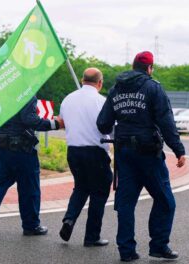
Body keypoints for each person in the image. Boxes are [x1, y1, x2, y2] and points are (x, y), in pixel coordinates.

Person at [97, 51, 186, 262]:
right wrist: (178, 150)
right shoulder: (153, 88)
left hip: (124, 154)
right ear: (149, 68)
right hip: (148, 153)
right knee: (165, 201)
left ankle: (126, 251)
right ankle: (159, 246)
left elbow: (103, 124)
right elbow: (166, 121)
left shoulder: (115, 89)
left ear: (132, 65)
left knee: (126, 203)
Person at [0, 96, 63, 237]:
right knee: (29, 187)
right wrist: (54, 124)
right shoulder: (25, 93)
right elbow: (30, 120)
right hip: (21, 148)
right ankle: (31, 225)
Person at [58, 68, 113, 247]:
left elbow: (62, 122)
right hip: (95, 152)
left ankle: (69, 219)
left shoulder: (68, 99)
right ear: (100, 82)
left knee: (81, 187)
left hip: (73, 150)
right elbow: (110, 128)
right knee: (99, 191)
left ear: (82, 80)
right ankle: (92, 236)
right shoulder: (102, 101)